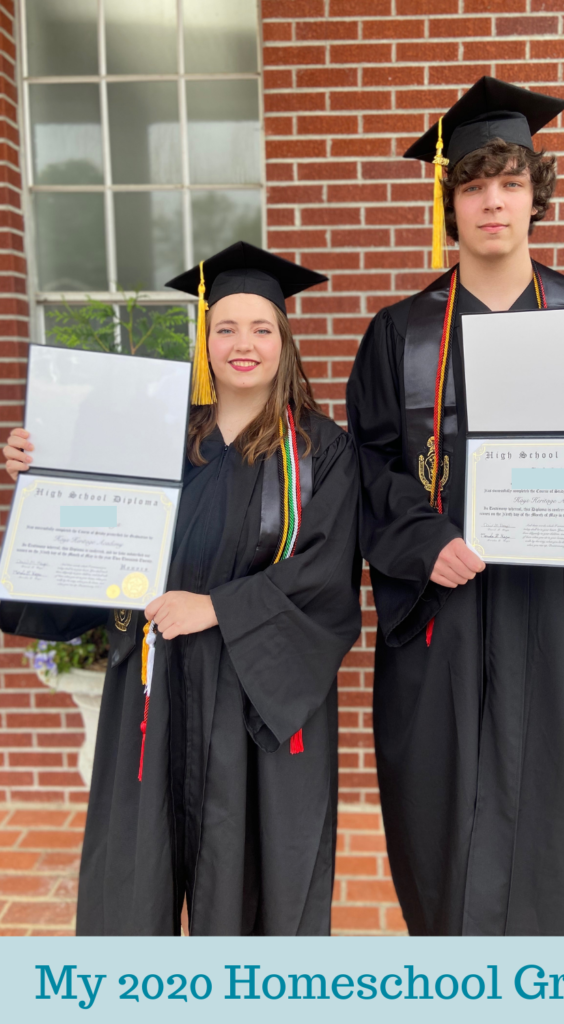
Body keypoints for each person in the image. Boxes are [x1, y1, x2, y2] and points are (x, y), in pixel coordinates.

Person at [346, 78, 564, 937]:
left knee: (550, 807)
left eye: (508, 182)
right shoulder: (398, 331)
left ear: (537, 195)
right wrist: (422, 541)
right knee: (432, 797)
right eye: (471, 184)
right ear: (448, 203)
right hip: (437, 608)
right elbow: (369, 466)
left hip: (550, 606)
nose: (491, 201)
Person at [2, 241, 361, 936]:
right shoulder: (156, 437)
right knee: (136, 875)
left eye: (261, 328)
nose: (242, 344)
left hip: (259, 695)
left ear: (283, 342)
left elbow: (324, 576)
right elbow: (94, 523)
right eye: (224, 327)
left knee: (258, 888)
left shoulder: (320, 452)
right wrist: (44, 475)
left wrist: (219, 607)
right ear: (204, 342)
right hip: (155, 685)